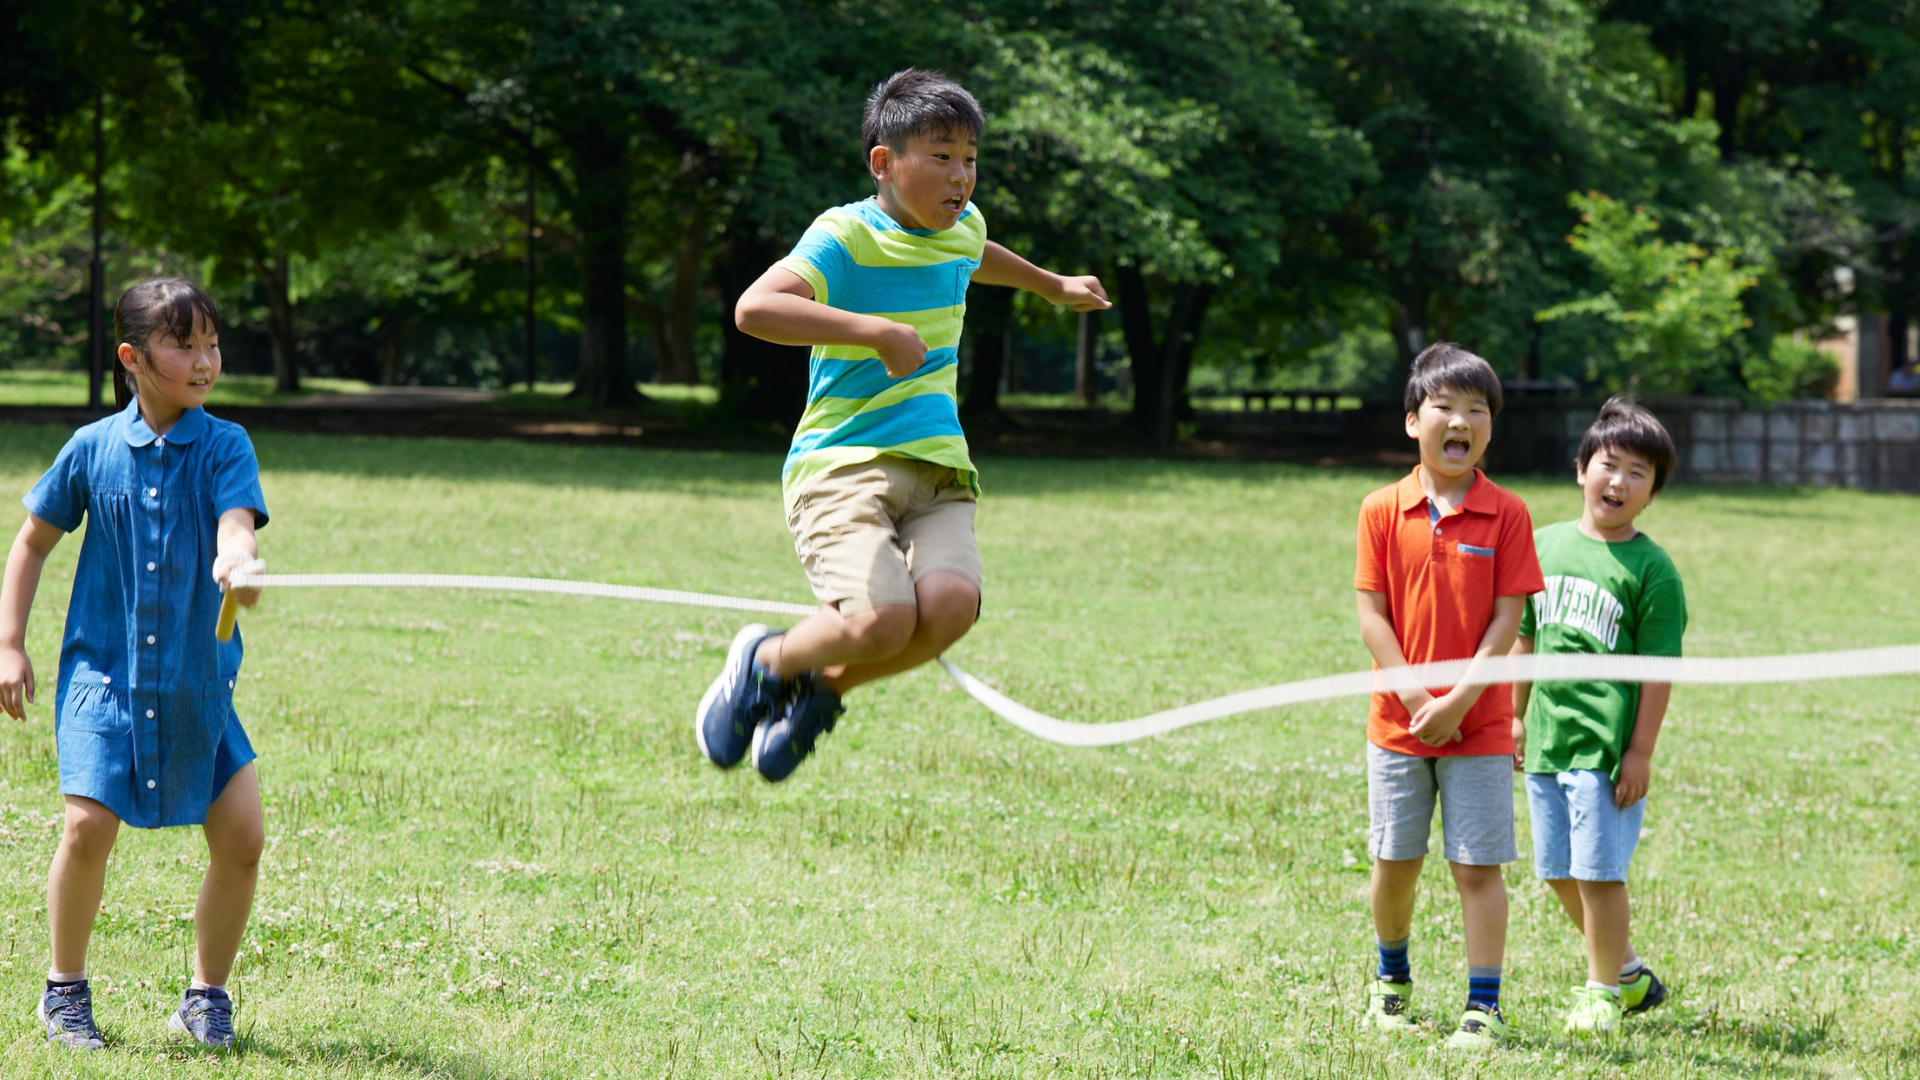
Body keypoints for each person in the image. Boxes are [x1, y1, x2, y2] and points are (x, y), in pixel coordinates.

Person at [699, 68, 1109, 782]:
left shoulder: (963, 229)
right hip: (844, 463)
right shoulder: (846, 233)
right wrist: (873, 331)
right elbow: (754, 309)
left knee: (949, 608)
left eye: (971, 159)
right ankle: (766, 661)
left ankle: (821, 692)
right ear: (884, 163)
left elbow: (977, 254)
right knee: (882, 621)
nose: (963, 176)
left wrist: (1054, 285)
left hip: (938, 469)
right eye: (942, 155)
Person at [0, 278, 268, 1050]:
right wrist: (10, 642)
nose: (205, 360)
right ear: (133, 357)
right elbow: (31, 544)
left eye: (212, 343)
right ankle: (64, 992)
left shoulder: (226, 446)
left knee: (243, 836)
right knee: (85, 829)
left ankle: (206, 996)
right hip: (104, 680)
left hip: (195, 683)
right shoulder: (90, 449)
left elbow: (236, 522)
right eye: (184, 345)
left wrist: (237, 561)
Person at [1353, 342, 1543, 1051]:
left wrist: (1461, 700)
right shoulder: (1380, 509)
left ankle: (1483, 1005)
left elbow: (1508, 620)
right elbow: (1372, 613)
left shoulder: (1508, 514)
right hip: (1395, 725)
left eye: (1477, 410)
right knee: (1395, 861)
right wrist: (1409, 692)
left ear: (1489, 428)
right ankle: (1391, 979)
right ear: (1413, 421)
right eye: (1445, 407)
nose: (1461, 420)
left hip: (1482, 725)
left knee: (1476, 866)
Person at [1511, 397, 1685, 1036]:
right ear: (1581, 468)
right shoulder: (1542, 546)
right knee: (1557, 871)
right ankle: (1632, 974)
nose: (1620, 482)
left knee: (1599, 874)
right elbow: (1523, 638)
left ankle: (1602, 993)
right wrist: (1515, 717)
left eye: (1639, 474)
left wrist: (1639, 751)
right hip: (1549, 743)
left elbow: (1659, 671)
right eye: (1610, 465)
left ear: (1652, 495)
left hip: (1605, 754)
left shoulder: (1653, 570)